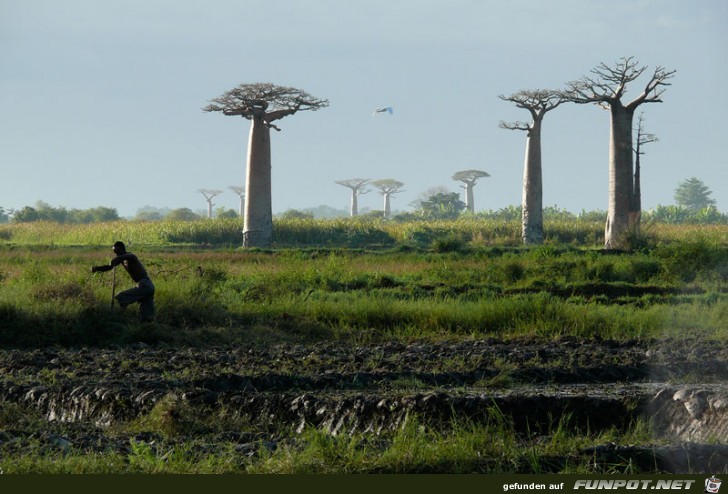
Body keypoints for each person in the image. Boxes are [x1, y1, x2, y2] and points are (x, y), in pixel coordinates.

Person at [92, 241, 155, 322]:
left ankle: (119, 318)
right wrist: (96, 268)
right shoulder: (121, 259)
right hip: (146, 286)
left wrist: (118, 258)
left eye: (117, 252)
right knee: (146, 316)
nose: (116, 254)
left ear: (122, 250)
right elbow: (109, 267)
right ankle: (146, 328)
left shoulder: (131, 256)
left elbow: (129, 255)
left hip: (145, 284)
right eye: (115, 253)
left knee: (122, 297)